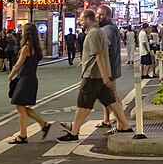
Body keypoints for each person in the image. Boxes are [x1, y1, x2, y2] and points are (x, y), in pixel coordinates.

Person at [57, 10, 132, 142]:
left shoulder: (93, 34)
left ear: (87, 19)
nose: (79, 21)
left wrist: (104, 76)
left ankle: (74, 132)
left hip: (92, 75)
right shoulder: (99, 32)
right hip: (98, 75)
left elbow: (99, 55)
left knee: (83, 104)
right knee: (111, 101)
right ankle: (125, 126)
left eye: (81, 19)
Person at [6, 23, 52, 144]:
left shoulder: (26, 48)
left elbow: (18, 65)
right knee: (22, 107)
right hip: (32, 79)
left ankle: (23, 135)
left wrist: (10, 76)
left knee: (20, 107)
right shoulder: (36, 48)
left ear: (25, 34)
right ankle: (43, 124)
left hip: (24, 79)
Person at [95, 4, 126, 129]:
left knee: (112, 95)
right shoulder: (106, 27)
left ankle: (122, 123)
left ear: (108, 16)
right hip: (109, 67)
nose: (98, 16)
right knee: (105, 94)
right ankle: (107, 119)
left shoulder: (108, 29)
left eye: (101, 14)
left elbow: (108, 49)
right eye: (98, 13)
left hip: (109, 68)